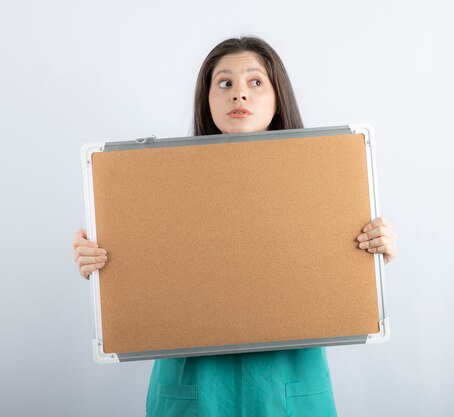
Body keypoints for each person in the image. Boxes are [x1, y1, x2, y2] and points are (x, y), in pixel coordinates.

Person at [72, 36, 398, 417]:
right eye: (224, 83)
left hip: (288, 387)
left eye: (255, 82)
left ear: (278, 97)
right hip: (193, 390)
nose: (239, 95)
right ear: (207, 100)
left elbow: (333, 282)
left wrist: (371, 257)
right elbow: (145, 281)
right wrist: (102, 265)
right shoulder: (157, 186)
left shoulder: (324, 183)